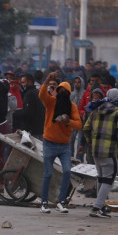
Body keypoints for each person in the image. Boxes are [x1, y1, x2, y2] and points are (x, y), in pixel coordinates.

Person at [38, 72, 82, 213]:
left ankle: (61, 201)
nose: (62, 93)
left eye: (65, 91)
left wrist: (68, 120)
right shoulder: (52, 102)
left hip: (64, 145)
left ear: (69, 93)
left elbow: (79, 124)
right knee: (48, 173)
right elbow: (41, 95)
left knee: (67, 171)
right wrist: (47, 80)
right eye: (60, 90)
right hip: (49, 142)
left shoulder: (72, 107)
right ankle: (44, 202)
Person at [83, 88, 118, 218]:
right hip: (110, 151)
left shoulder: (96, 109)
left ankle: (101, 207)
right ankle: (97, 207)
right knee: (108, 179)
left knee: (101, 178)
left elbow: (86, 128)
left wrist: (91, 143)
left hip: (95, 151)